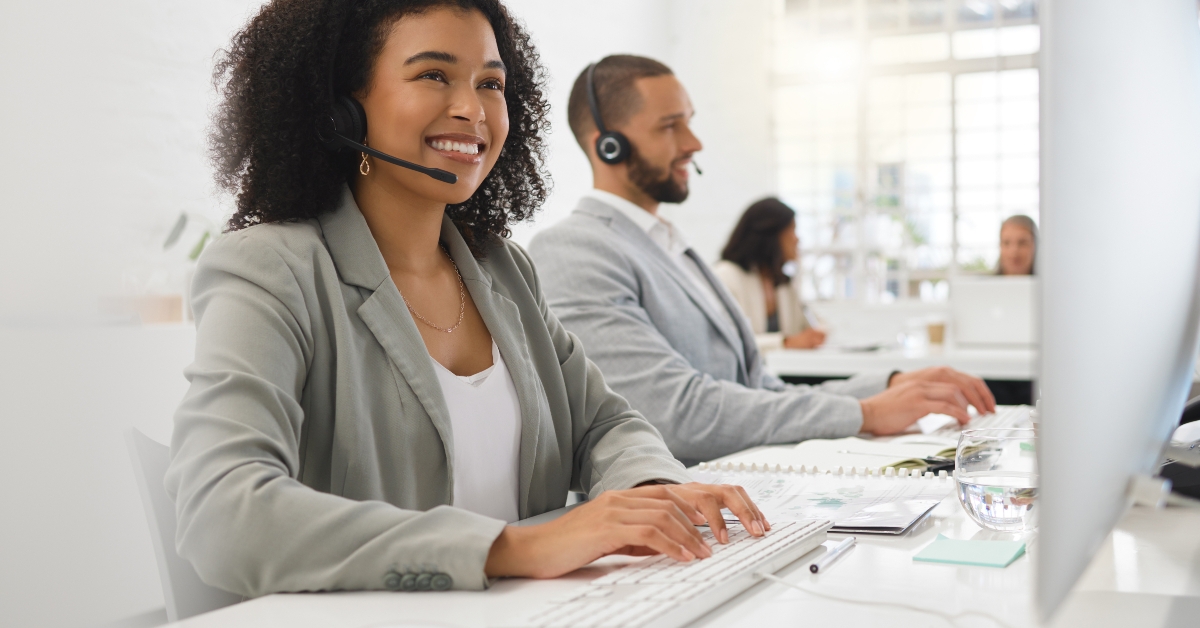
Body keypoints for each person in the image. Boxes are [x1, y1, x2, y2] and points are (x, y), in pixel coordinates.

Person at [165, 1, 770, 599]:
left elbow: (605, 423)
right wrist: (510, 548)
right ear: (340, 110)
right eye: (433, 75)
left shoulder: (502, 270)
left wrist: (648, 494)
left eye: (491, 83)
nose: (472, 109)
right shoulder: (272, 269)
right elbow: (221, 514)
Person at [527, 55, 996, 466]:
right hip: (673, 518)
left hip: (743, 494)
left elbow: (762, 393)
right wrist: (867, 413)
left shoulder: (672, 247)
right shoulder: (573, 251)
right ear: (606, 143)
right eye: (671, 126)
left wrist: (887, 384)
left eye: (689, 121)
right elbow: (675, 415)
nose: (694, 142)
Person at [713, 197, 825, 352]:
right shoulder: (725, 276)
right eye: (792, 230)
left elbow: (813, 326)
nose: (797, 239)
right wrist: (785, 343)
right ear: (770, 235)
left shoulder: (783, 282)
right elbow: (726, 341)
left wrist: (816, 335)